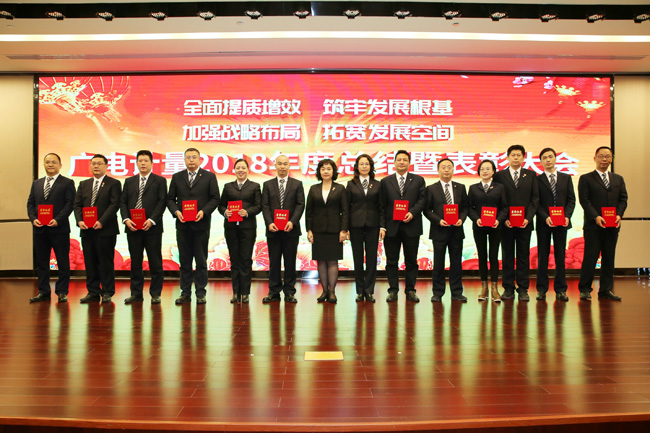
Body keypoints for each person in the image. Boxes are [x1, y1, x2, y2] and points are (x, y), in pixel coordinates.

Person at [167, 148, 220, 305]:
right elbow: (170, 199)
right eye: (188, 157)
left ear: (200, 160)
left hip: (201, 225)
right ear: (184, 160)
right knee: (184, 261)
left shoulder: (209, 176)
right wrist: (176, 212)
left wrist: (204, 212)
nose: (191, 160)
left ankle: (200, 292)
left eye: (194, 157)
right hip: (183, 225)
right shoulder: (177, 177)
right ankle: (185, 292)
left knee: (201, 261)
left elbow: (215, 198)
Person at [577, 146, 628, 301]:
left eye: (607, 156)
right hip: (593, 226)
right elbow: (585, 201)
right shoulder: (586, 178)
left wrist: (619, 215)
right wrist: (596, 217)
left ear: (612, 159)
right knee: (590, 258)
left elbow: (623, 199)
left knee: (609, 258)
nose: (604, 159)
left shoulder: (618, 179)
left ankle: (606, 290)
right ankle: (585, 289)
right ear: (595, 158)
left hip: (612, 226)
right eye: (601, 156)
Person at [119, 150, 167, 305]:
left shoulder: (159, 181)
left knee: (155, 262)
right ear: (136, 163)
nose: (143, 163)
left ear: (152, 163)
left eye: (146, 161)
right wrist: (126, 219)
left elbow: (162, 202)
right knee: (135, 262)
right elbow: (123, 202)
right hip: (133, 227)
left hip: (152, 228)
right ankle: (136, 293)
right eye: (140, 161)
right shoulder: (129, 181)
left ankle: (155, 294)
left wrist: (152, 220)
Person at [27, 153, 76, 303]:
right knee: (42, 262)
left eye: (54, 162)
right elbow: (30, 204)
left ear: (60, 165)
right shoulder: (36, 183)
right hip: (40, 229)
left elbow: (69, 204)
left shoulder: (67, 183)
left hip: (59, 229)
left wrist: (57, 220)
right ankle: (43, 291)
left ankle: (62, 292)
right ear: (44, 164)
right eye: (47, 162)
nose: (50, 164)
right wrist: (33, 219)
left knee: (62, 261)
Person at [73, 154, 121, 303]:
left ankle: (107, 291)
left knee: (105, 261)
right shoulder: (84, 184)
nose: (96, 166)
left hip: (105, 230)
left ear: (106, 166)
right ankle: (93, 291)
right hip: (87, 229)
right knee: (90, 261)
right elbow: (77, 205)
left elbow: (114, 205)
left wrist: (101, 221)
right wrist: (79, 220)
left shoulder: (114, 183)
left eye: (100, 163)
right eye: (93, 163)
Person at [379, 150, 427, 303]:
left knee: (411, 260)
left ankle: (410, 290)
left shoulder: (418, 180)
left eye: (404, 160)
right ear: (394, 162)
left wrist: (412, 213)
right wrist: (382, 226)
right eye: (399, 159)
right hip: (391, 227)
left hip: (411, 225)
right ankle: (393, 290)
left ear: (409, 163)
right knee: (391, 261)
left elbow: (422, 200)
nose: (401, 162)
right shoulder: (385, 181)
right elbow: (382, 205)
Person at [493, 144, 539, 301]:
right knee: (507, 255)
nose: (516, 158)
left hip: (524, 223)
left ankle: (523, 288)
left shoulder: (531, 175)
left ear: (524, 157)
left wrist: (528, 218)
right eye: (513, 155)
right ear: (507, 157)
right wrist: (504, 218)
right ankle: (508, 288)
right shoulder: (499, 176)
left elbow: (535, 199)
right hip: (506, 224)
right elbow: (496, 199)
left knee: (523, 255)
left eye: (519, 155)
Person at [261, 154, 305, 304]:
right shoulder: (267, 184)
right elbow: (265, 205)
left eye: (285, 164)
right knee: (274, 262)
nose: (282, 166)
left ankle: (289, 292)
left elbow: (300, 204)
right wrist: (269, 222)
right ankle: (273, 292)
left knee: (290, 262)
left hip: (291, 230)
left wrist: (292, 222)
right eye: (279, 163)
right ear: (275, 166)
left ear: (289, 166)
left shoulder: (297, 184)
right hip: (273, 229)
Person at [424, 158, 469, 302]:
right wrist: (438, 221)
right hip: (439, 231)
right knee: (438, 263)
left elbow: (465, 207)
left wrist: (461, 219)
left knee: (456, 263)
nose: (446, 170)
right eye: (443, 167)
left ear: (453, 169)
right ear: (438, 170)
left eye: (449, 167)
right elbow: (427, 210)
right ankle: (438, 292)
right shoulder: (431, 189)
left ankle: (457, 292)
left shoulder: (460, 187)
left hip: (456, 231)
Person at [218, 159, 262, 304]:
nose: (241, 170)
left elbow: (259, 206)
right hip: (231, 228)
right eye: (238, 168)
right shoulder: (228, 186)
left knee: (246, 259)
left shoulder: (255, 186)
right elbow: (221, 205)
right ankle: (235, 292)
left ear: (248, 170)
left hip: (248, 228)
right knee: (234, 260)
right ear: (234, 170)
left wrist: (247, 212)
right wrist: (225, 212)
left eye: (243, 168)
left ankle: (245, 292)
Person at [306, 159, 349, 304]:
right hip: (318, 230)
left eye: (328, 169)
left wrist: (344, 230)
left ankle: (332, 292)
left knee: (332, 261)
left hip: (334, 230)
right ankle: (324, 290)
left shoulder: (340, 188)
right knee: (321, 261)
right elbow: (309, 211)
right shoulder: (313, 189)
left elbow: (345, 211)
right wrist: (309, 230)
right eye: (323, 169)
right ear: (319, 171)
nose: (326, 171)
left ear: (333, 171)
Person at [536, 148, 575, 302]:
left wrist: (567, 216)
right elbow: (536, 202)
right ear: (541, 161)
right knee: (543, 256)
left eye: (550, 157)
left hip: (561, 223)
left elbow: (571, 199)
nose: (548, 160)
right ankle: (541, 289)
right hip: (544, 223)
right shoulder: (537, 180)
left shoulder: (566, 178)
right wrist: (545, 217)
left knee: (560, 256)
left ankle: (561, 289)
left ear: (555, 158)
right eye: (544, 158)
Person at [468, 160, 508, 302]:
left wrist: (499, 220)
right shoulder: (473, 188)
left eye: (488, 169)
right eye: (482, 169)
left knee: (493, 256)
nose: (485, 171)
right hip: (479, 226)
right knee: (482, 256)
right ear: (479, 172)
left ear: (493, 172)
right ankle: (484, 287)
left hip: (495, 227)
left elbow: (505, 207)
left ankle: (494, 289)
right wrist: (476, 219)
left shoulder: (500, 187)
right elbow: (469, 208)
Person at [346, 154, 383, 303]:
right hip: (355, 226)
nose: (364, 166)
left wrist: (382, 226)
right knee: (358, 258)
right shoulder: (351, 184)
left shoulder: (378, 184)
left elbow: (381, 207)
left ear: (371, 167)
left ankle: (369, 291)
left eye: (367, 164)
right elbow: (346, 208)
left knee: (372, 259)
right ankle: (360, 291)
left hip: (373, 226)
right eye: (361, 164)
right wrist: (346, 228)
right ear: (357, 167)